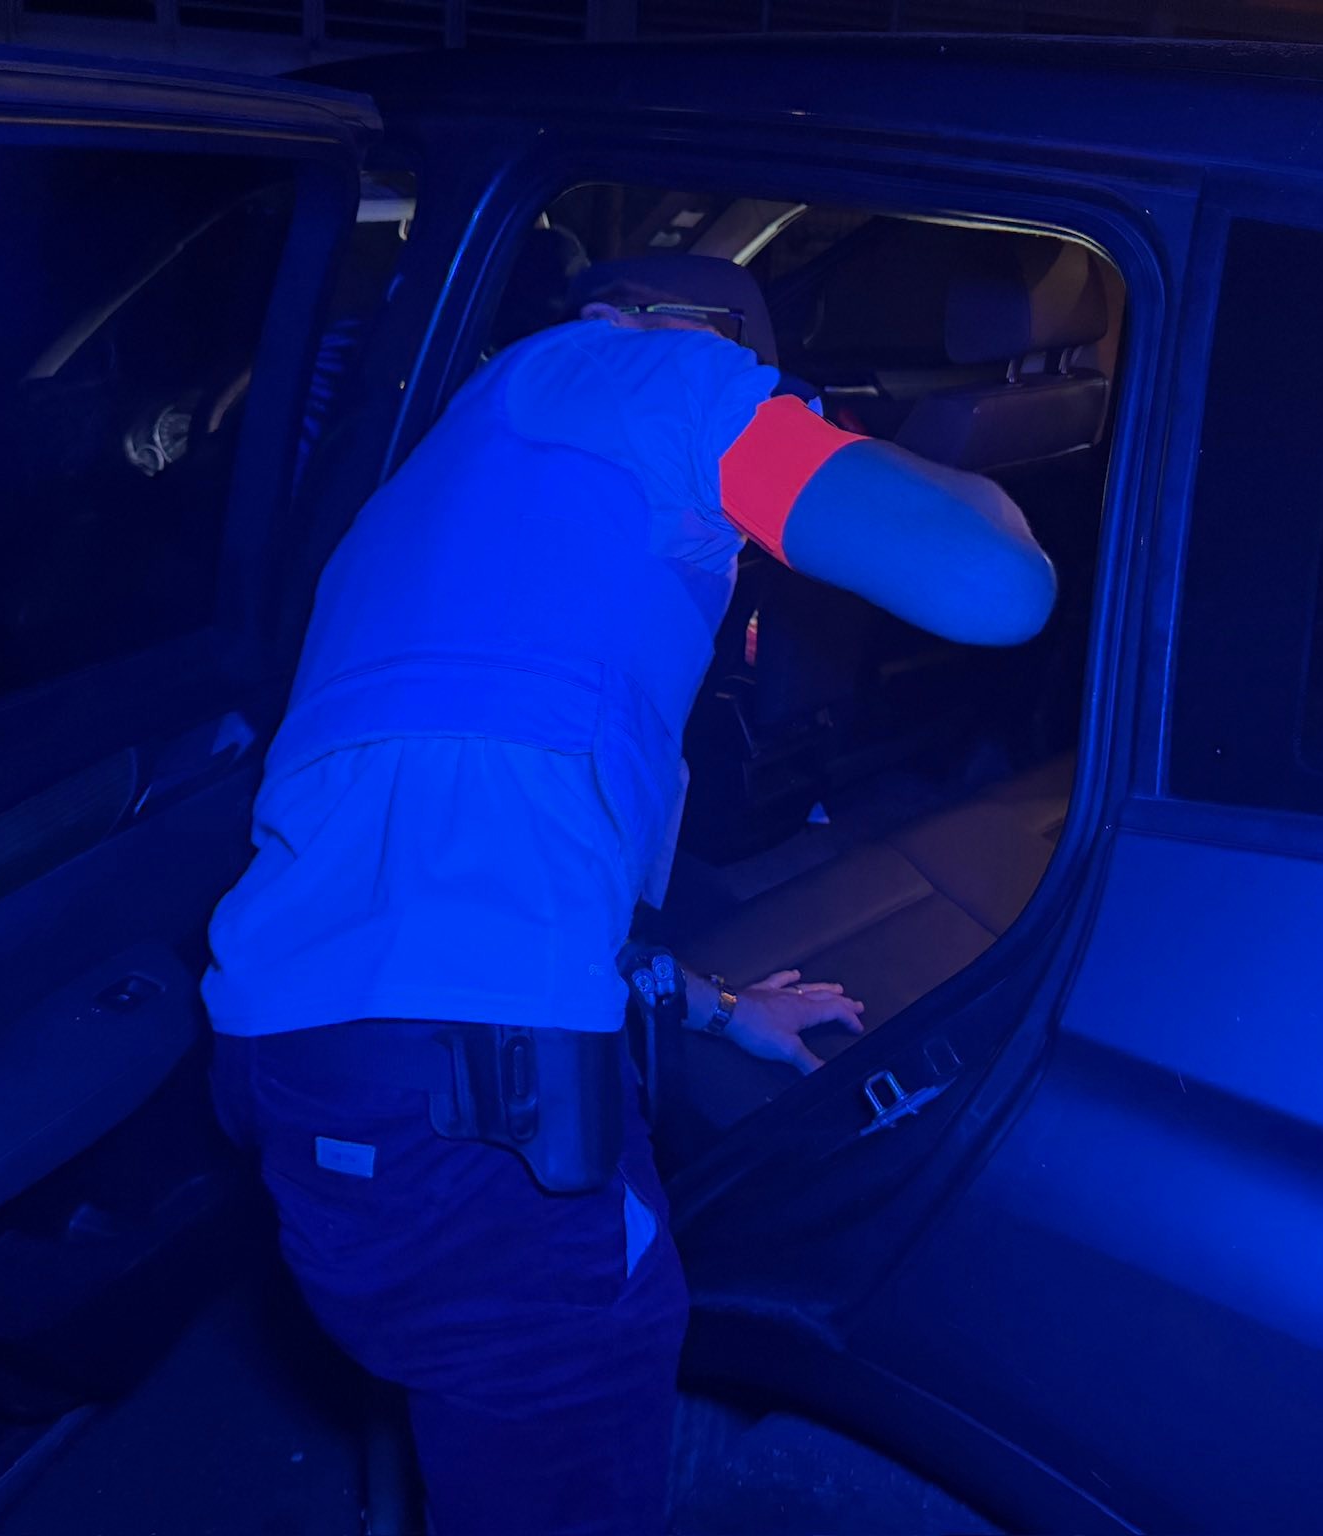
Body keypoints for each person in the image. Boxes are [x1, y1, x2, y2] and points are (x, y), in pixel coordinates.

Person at [204, 256, 1056, 1536]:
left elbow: (478, 872)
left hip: (302, 1073)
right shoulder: (676, 381)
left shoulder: (443, 472)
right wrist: (955, 472)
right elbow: (997, 587)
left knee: (480, 1421)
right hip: (469, 1122)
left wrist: (718, 1009)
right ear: (707, 332)